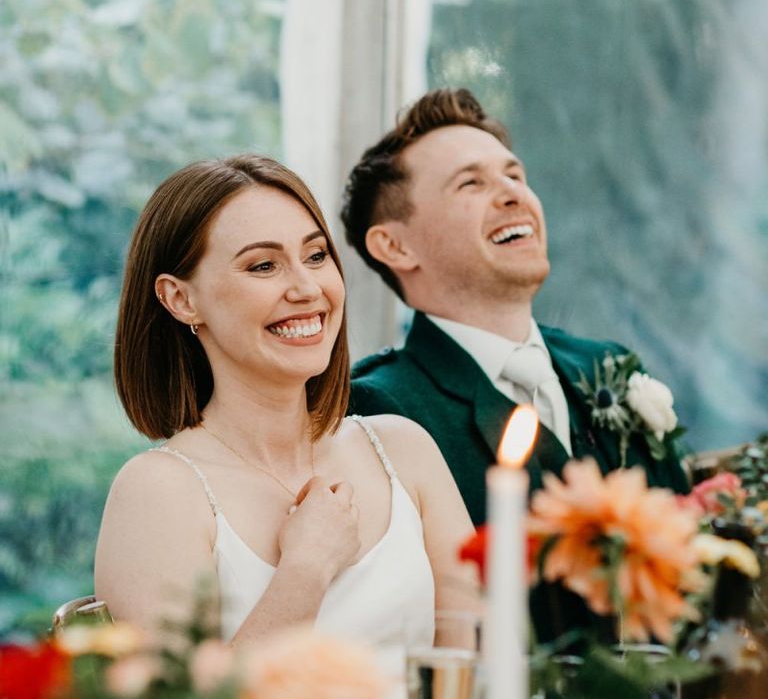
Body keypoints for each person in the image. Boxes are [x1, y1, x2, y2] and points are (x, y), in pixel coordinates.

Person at [95, 154, 475, 652]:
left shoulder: (405, 450)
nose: (307, 287)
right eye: (264, 265)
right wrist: (305, 568)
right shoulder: (159, 491)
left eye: (316, 256)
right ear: (181, 300)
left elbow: (491, 667)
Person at [341, 87, 690, 525]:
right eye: (471, 182)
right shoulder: (380, 408)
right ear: (395, 245)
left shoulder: (610, 365)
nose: (513, 195)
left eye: (515, 176)